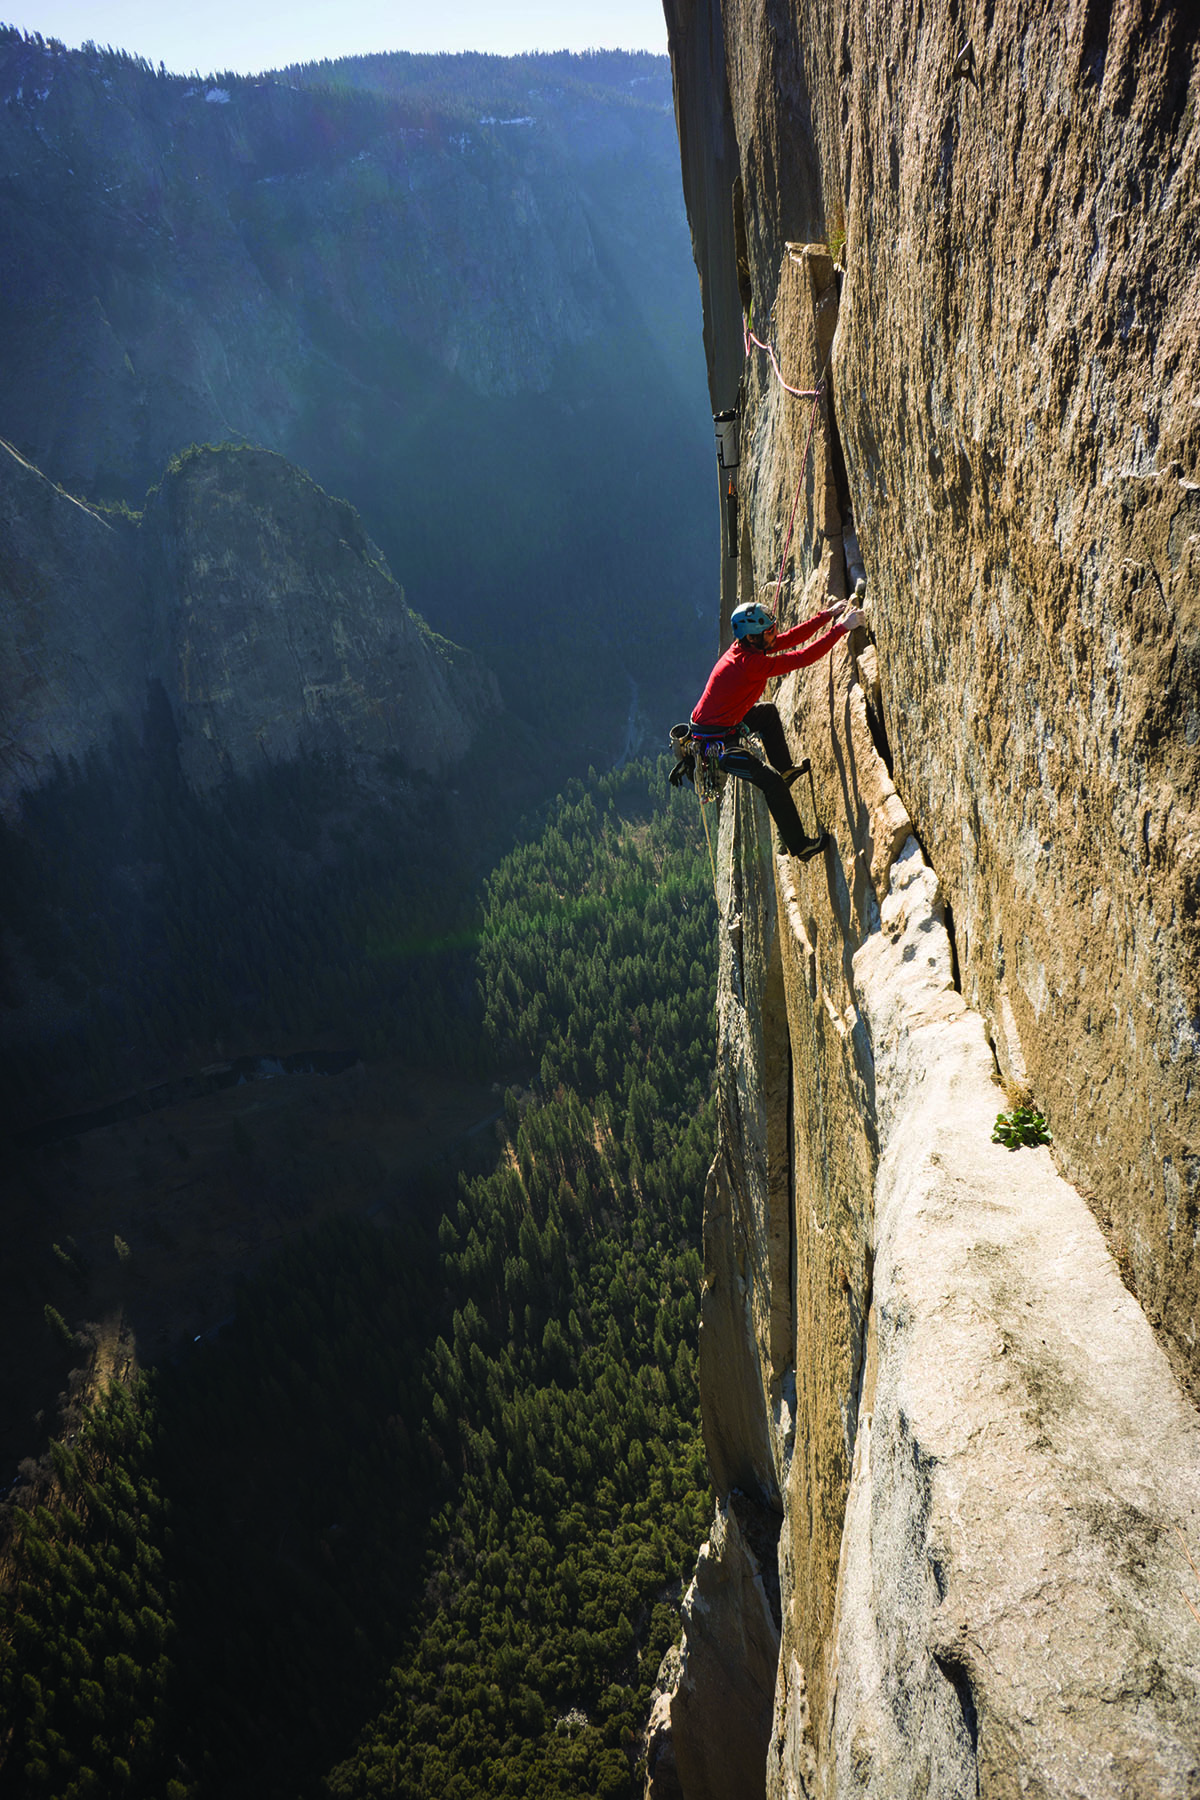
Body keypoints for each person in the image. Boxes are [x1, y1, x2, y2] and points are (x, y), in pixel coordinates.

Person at [680, 595, 865, 859]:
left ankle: (786, 769)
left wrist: (827, 616)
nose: (774, 634)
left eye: (771, 628)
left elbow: (788, 639)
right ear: (752, 637)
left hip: (725, 725)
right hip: (714, 745)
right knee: (771, 783)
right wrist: (842, 628)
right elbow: (802, 657)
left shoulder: (749, 648)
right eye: (768, 631)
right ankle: (800, 847)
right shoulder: (749, 664)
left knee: (767, 713)